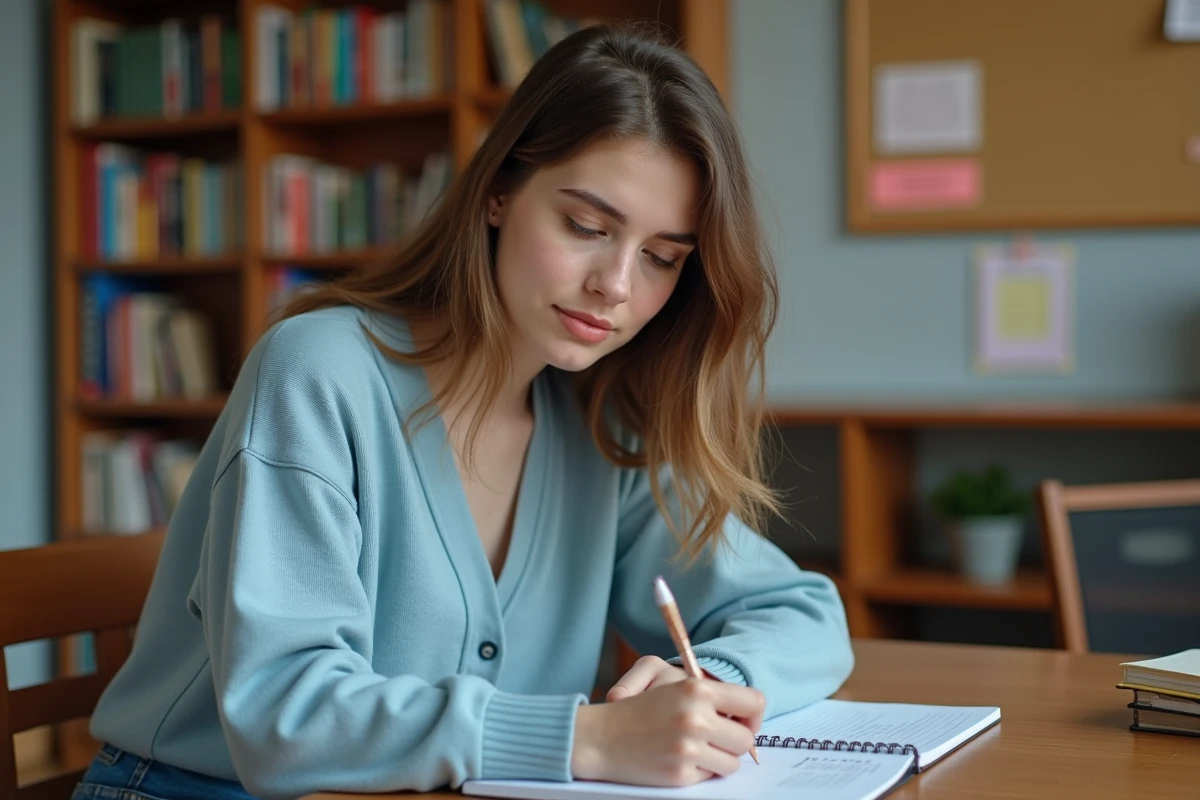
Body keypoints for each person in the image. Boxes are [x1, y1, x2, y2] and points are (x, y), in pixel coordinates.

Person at [72, 23, 853, 800]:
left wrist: (709, 680)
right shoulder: (319, 371)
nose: (616, 285)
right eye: (586, 227)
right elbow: (284, 714)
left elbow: (801, 612)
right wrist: (584, 740)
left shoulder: (603, 426)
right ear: (497, 193)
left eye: (661, 257)